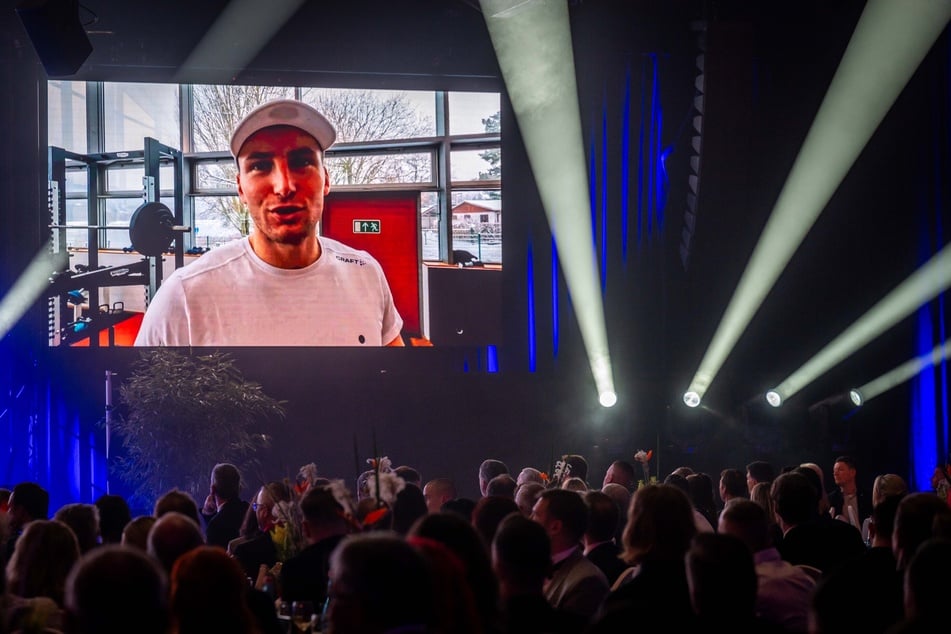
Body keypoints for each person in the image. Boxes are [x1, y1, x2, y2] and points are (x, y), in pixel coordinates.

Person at [134, 98, 403, 347]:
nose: (284, 186)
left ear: (327, 180)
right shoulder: (184, 296)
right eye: (260, 166)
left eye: (302, 161)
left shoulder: (366, 273)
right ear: (240, 188)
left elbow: (398, 384)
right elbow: (134, 397)